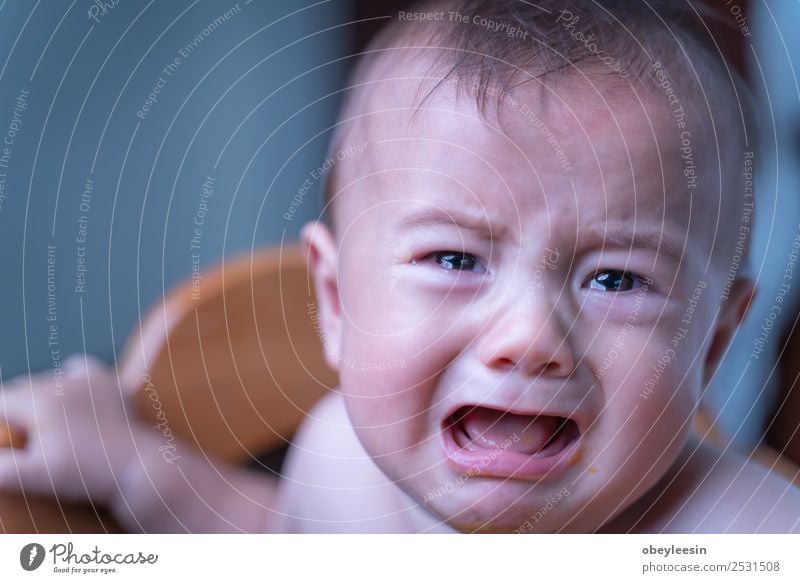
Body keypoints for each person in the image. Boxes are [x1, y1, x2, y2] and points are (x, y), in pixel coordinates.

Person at [1, 0, 799, 533]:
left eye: (617, 278)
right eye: (454, 258)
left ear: (714, 340)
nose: (528, 338)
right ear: (337, 299)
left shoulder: (744, 533)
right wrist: (136, 463)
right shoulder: (341, 466)